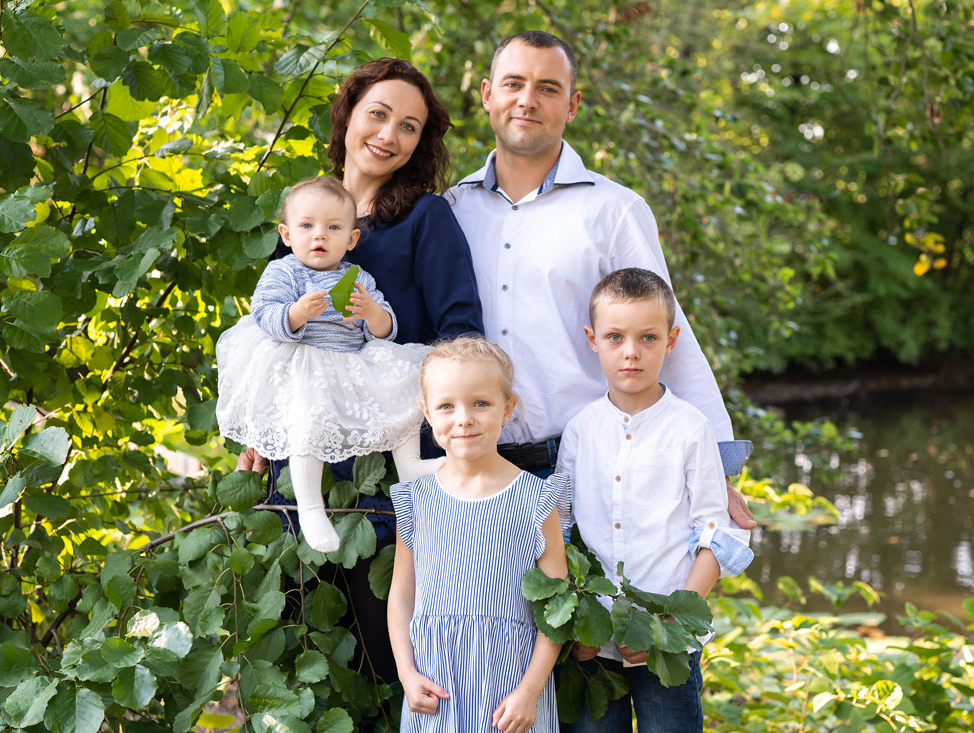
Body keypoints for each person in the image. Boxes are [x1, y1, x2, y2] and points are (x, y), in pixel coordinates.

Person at [236, 59, 485, 684]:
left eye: (409, 126)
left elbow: (461, 335)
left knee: (392, 663)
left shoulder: (425, 219)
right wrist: (255, 434)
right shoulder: (303, 220)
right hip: (304, 457)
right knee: (303, 659)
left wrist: (454, 436)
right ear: (348, 115)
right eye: (378, 114)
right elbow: (269, 333)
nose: (388, 134)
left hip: (386, 469)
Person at [447, 30, 757, 530]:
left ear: (573, 105)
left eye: (548, 88)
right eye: (514, 83)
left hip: (585, 467)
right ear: (487, 94)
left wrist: (715, 469)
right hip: (468, 468)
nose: (528, 100)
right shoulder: (450, 209)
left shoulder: (613, 212)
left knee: (588, 608)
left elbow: (664, 334)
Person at [557, 269, 754, 732]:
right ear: (592, 339)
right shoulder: (580, 430)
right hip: (592, 641)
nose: (631, 352)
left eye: (648, 337)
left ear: (670, 340)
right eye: (615, 337)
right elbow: (561, 530)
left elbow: (714, 533)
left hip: (667, 641)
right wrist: (577, 626)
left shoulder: (690, 428)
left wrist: (669, 624)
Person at [216, 177, 444, 553]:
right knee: (308, 419)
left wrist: (372, 314)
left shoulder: (358, 278)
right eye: (307, 226)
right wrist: (297, 312)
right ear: (287, 234)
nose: (319, 235)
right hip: (304, 360)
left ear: (351, 240)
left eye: (333, 228)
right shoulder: (285, 272)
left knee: (403, 386)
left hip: (352, 362)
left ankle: (411, 467)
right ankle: (309, 506)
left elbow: (385, 330)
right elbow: (264, 314)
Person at [388, 337, 566, 733]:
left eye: (480, 403)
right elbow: (401, 596)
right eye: (447, 406)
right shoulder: (415, 501)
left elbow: (557, 610)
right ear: (426, 413)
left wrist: (530, 691)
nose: (464, 418)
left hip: (510, 694)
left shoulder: (537, 498)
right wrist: (406, 672)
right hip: (437, 689)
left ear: (508, 409)